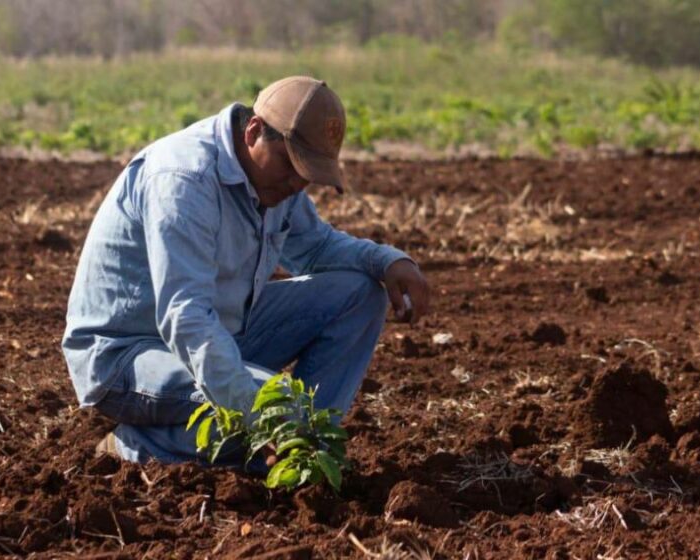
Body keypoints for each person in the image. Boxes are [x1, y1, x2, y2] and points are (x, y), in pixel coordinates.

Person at [62, 76, 430, 466]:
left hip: (220, 330)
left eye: (307, 174)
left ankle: (303, 449)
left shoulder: (276, 184)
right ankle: (140, 446)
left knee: (360, 293)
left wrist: (388, 261)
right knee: (279, 408)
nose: (296, 183)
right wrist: (262, 415)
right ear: (254, 131)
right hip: (127, 356)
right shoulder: (185, 181)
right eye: (291, 165)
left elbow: (316, 247)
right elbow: (185, 319)